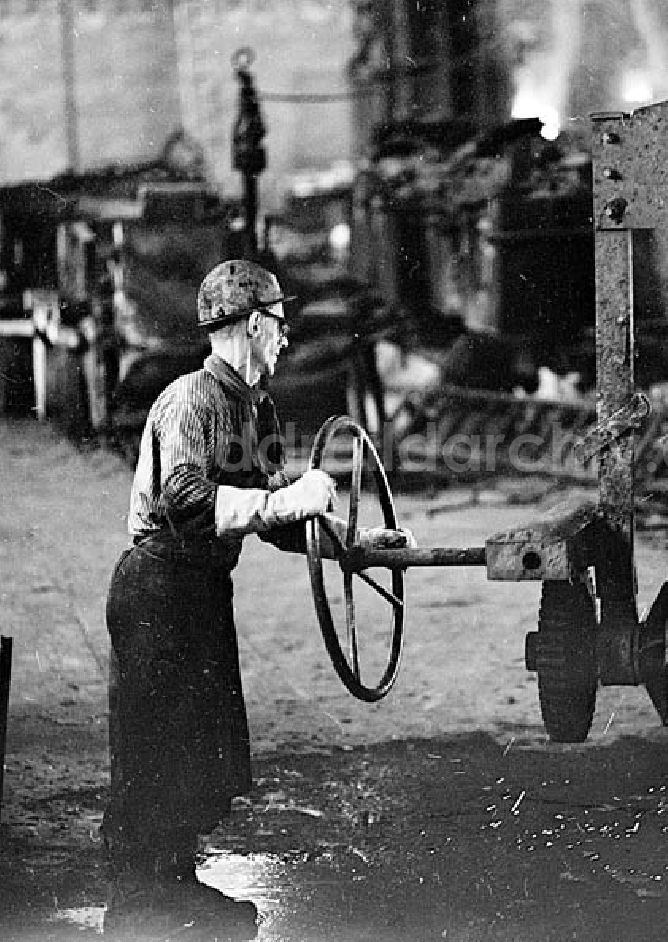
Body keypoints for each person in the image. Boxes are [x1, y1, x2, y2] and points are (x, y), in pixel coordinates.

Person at [101, 259, 411, 938]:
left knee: (205, 747)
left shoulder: (256, 407)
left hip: (202, 589)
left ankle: (174, 884)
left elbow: (275, 523)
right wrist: (280, 498)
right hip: (155, 587)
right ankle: (137, 901)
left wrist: (357, 541)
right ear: (249, 325)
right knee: (158, 744)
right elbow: (185, 500)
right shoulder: (191, 401)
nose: (288, 338)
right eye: (279, 323)